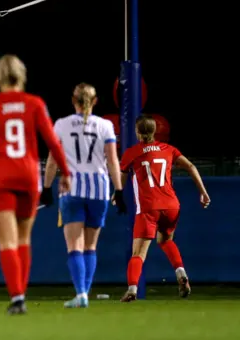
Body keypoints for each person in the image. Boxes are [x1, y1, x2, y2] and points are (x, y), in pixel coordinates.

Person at [0, 54, 71, 315]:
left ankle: (18, 297)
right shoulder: (34, 104)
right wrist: (65, 173)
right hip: (27, 177)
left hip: (0, 179)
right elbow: (52, 142)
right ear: (22, 75)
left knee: (6, 242)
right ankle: (20, 293)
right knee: (23, 239)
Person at [41, 83, 127, 309]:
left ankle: (81, 294)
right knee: (91, 246)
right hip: (99, 189)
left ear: (73, 100)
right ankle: (84, 293)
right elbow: (112, 161)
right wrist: (119, 190)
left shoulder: (61, 124)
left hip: (72, 188)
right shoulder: (105, 125)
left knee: (74, 246)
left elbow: (52, 161)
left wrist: (46, 188)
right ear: (95, 101)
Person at [119, 114, 210, 302]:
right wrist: (203, 192)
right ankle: (181, 273)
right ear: (155, 131)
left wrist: (117, 194)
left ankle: (132, 289)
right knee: (165, 240)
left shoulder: (132, 153)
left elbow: (122, 177)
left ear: (137, 132)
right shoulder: (168, 149)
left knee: (138, 253)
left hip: (148, 207)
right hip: (171, 206)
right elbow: (191, 166)